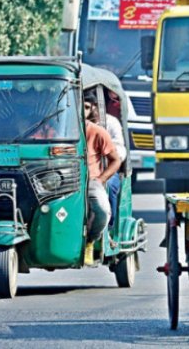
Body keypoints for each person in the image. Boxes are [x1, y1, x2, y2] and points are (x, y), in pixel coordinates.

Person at [83, 93, 122, 265]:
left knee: (102, 209)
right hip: (60, 180)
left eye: (86, 107)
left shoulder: (101, 130)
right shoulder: (54, 129)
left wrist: (101, 178)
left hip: (91, 180)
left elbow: (117, 158)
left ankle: (92, 240)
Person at [85, 90, 127, 225]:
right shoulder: (73, 126)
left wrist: (102, 177)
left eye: (88, 107)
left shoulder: (110, 123)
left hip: (105, 170)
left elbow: (119, 152)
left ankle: (109, 227)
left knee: (109, 187)